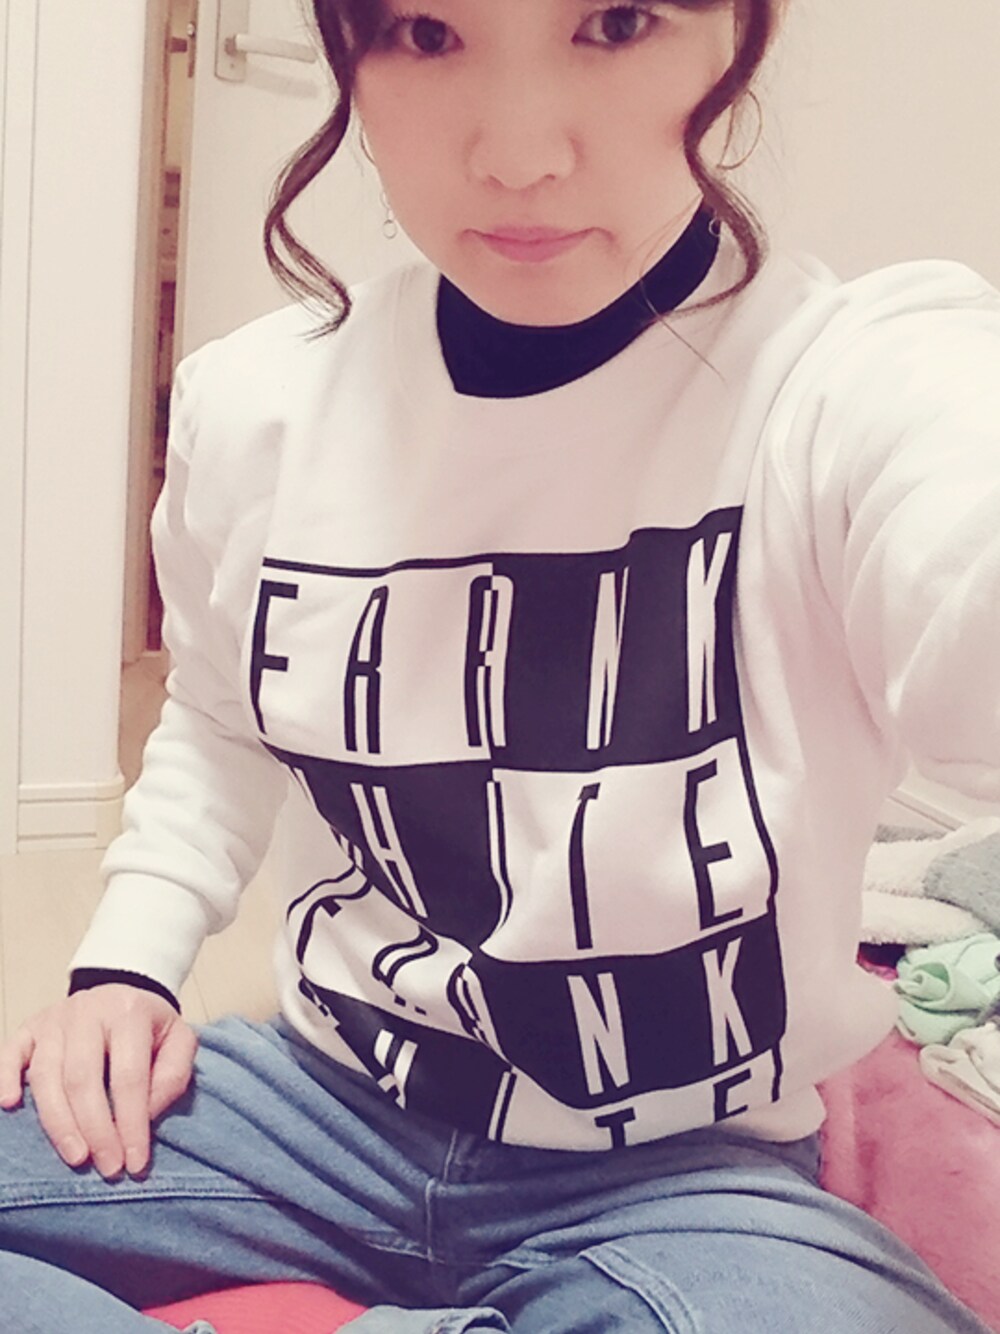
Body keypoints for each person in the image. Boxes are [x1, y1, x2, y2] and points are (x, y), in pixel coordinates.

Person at [0, 1, 997, 1330]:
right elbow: (220, 714)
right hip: (321, 1105)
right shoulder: (256, 406)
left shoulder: (853, 377)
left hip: (681, 1168)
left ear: (737, 35)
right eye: (426, 32)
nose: (520, 156)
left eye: (617, 22)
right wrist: (125, 963)